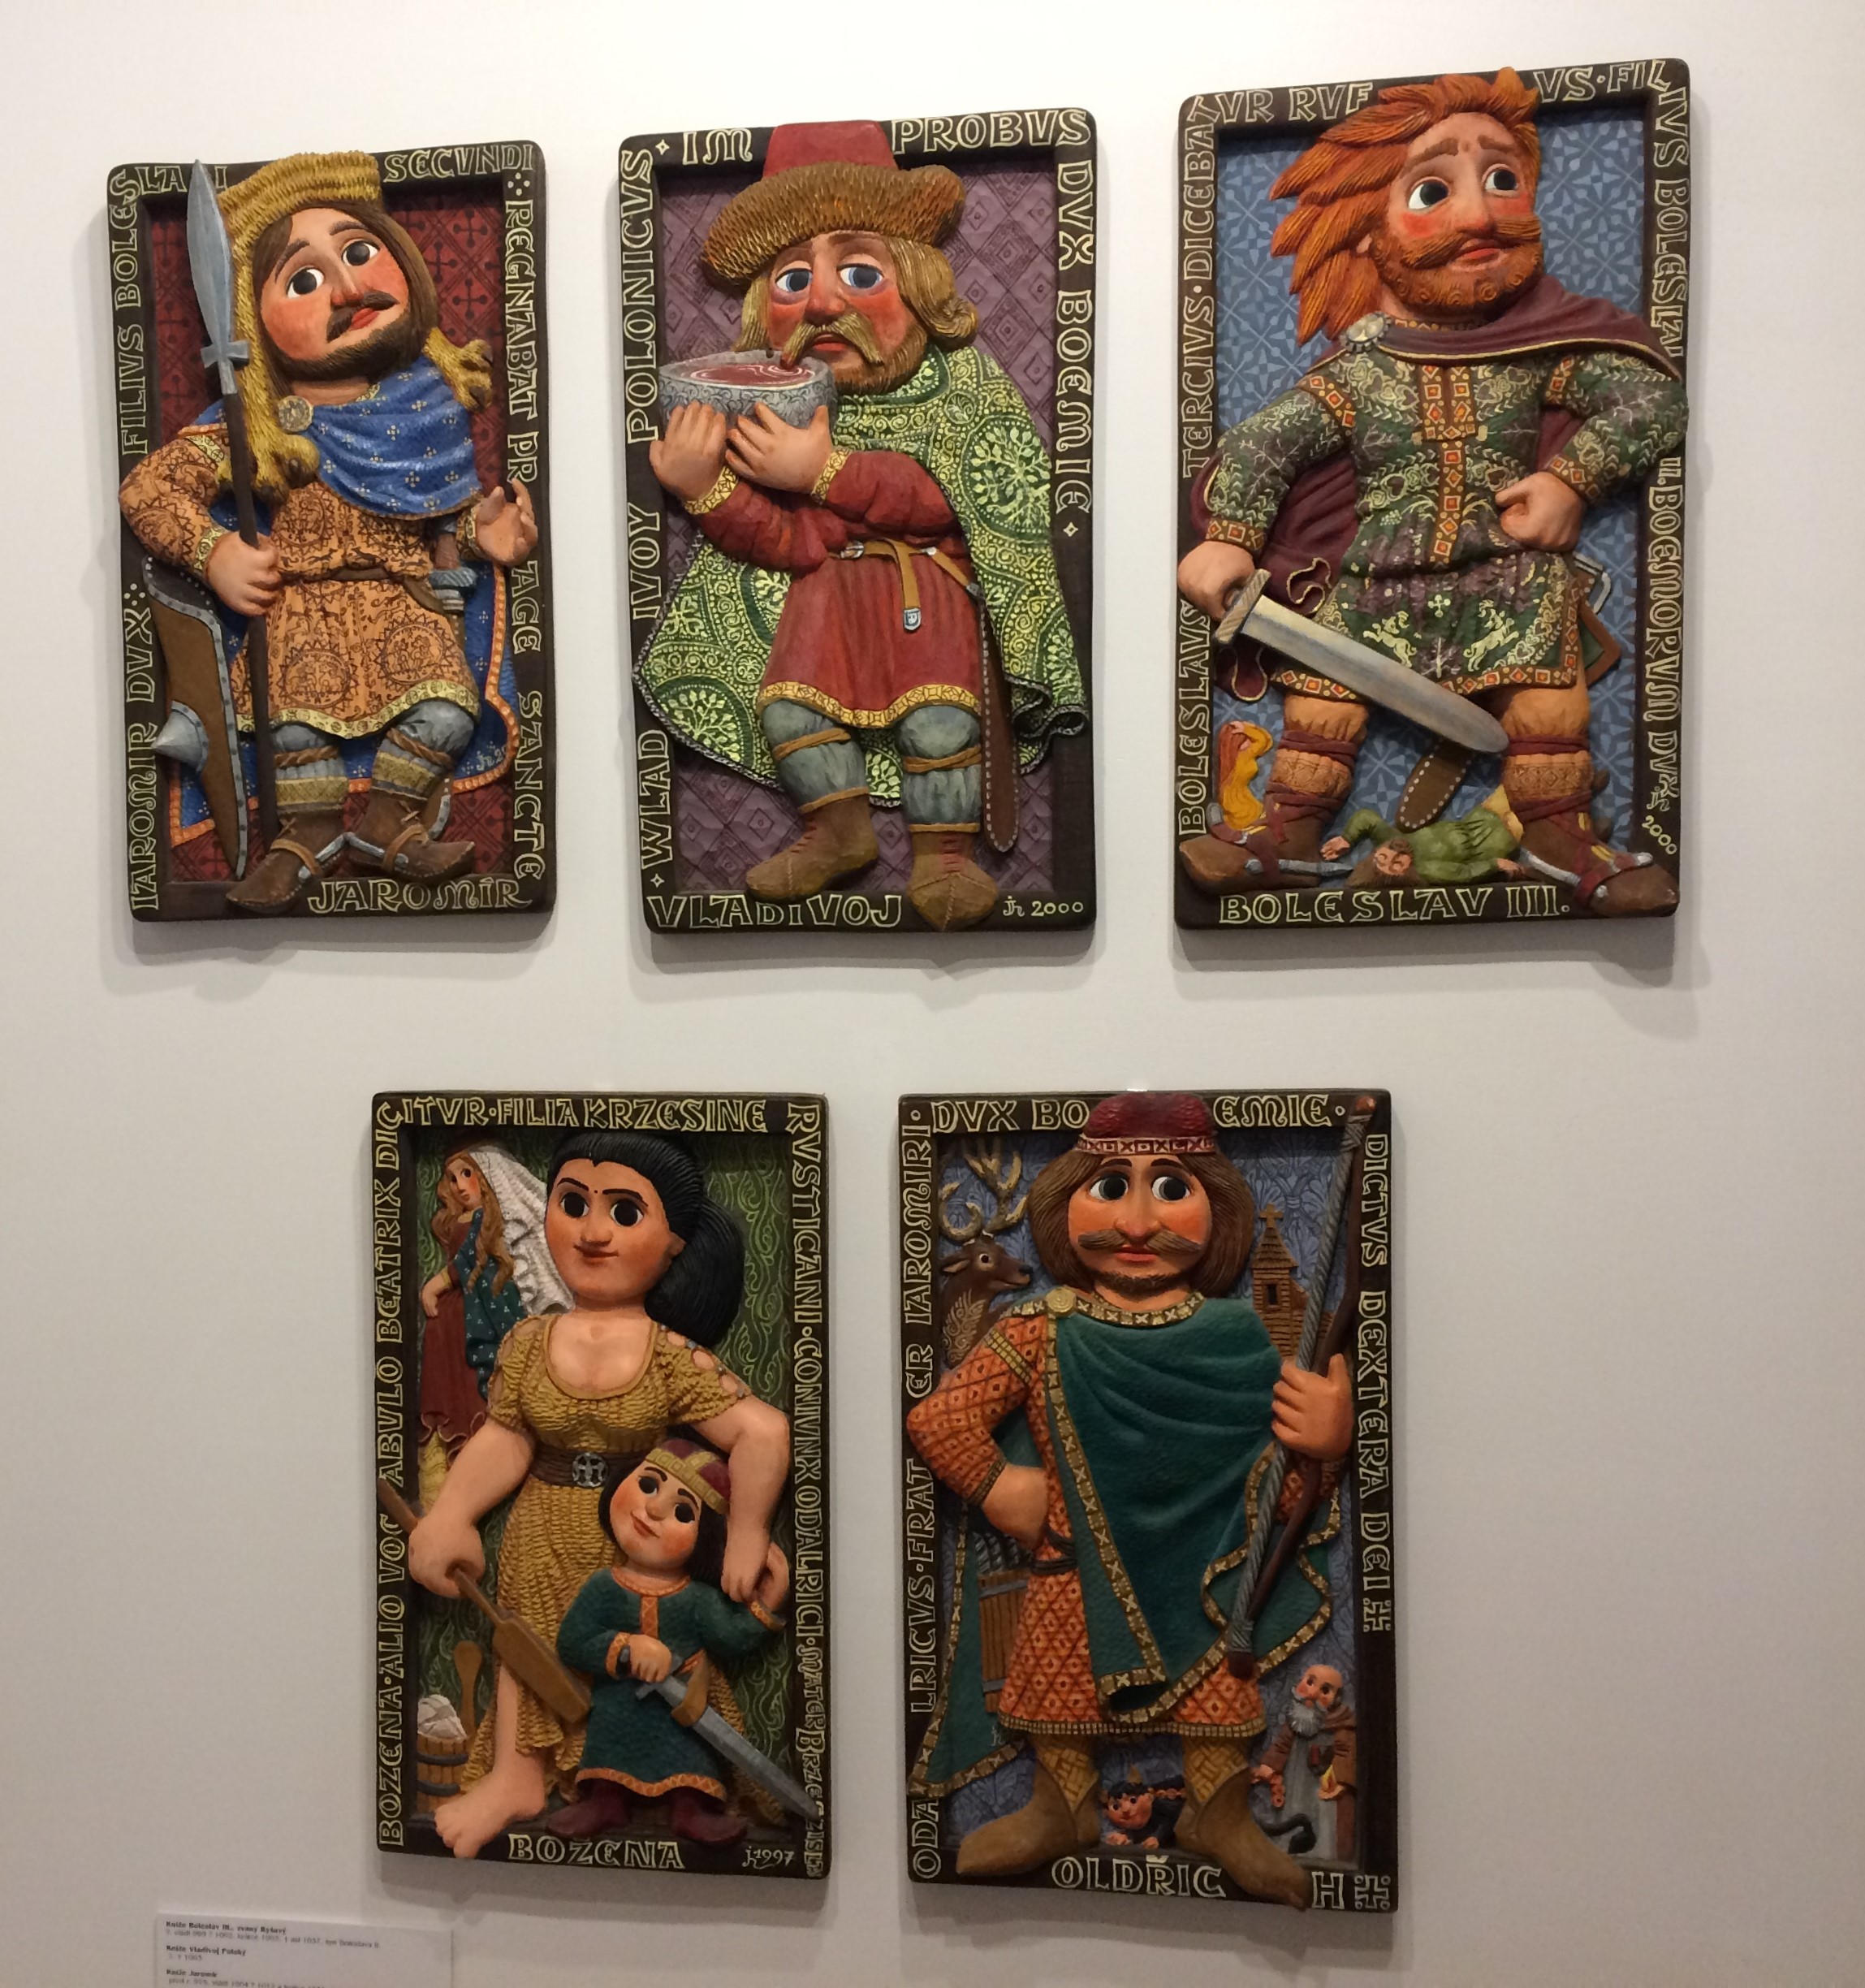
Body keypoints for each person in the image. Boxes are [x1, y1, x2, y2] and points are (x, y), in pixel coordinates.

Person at [1176, 70, 1687, 915]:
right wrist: (1230, 534)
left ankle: (1562, 838)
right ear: (1366, 235)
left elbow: (1651, 400)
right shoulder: (1360, 373)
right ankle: (1287, 836)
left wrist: (1570, 479)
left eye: (1502, 179)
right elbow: (1265, 443)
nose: (1479, 217)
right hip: (1375, 582)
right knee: (1322, 701)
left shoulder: (1537, 355)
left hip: (1509, 579)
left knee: (1545, 701)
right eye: (1431, 192)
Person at [906, 1092, 1352, 1908]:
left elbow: (1274, 1476)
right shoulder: (1041, 1326)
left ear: (1219, 1209)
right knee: (1060, 1683)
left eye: (1171, 1188)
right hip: (1075, 1563)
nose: (1138, 1222)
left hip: (1205, 1564)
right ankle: (1061, 1806)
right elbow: (941, 1419)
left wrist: (1324, 1443)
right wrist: (1001, 1486)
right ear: (1060, 1203)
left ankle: (1218, 1814)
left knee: (1215, 1688)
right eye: (1110, 1187)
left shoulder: (1236, 1335)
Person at [638, 121, 1085, 929]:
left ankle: (944, 855)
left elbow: (969, 497)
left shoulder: (963, 389)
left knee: (940, 721)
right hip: (824, 604)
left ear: (918, 285)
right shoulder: (783, 413)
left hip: (931, 602)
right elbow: (784, 541)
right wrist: (708, 489)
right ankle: (836, 833)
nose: (821, 304)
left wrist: (824, 470)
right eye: (790, 282)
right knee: (789, 714)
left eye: (858, 272)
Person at [120, 151, 538, 910]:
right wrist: (214, 552)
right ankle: (306, 837)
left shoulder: (429, 408)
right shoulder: (260, 426)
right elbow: (148, 489)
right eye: (304, 279)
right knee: (291, 732)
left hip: (405, 604)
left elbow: (436, 522)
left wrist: (484, 539)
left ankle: (386, 823)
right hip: (302, 609)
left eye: (359, 252)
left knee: (448, 711)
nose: (347, 290)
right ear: (252, 321)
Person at [406, 1131, 791, 1859]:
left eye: (624, 1213)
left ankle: (638, 1786)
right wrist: (452, 1513)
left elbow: (762, 1432)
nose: (591, 1232)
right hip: (538, 1526)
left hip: (632, 1536)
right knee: (525, 1643)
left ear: (674, 1244)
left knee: (635, 1661)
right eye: (573, 1204)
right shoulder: (529, 1341)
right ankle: (519, 1777)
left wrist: (745, 1535)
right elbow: (506, 1437)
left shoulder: (668, 1355)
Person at [550, 1441, 787, 1845]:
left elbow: (730, 1637)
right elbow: (573, 1641)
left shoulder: (696, 1598)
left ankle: (691, 1809)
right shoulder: (604, 1587)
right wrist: (627, 1648)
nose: (655, 1509)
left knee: (689, 1758)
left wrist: (768, 1601)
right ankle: (604, 1799)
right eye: (647, 1485)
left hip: (682, 1709)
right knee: (609, 1749)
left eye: (683, 1512)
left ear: (704, 1538)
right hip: (618, 1708)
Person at [417, 1145, 572, 1499]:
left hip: (481, 1311)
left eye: (468, 1174)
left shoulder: (485, 1220)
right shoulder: (459, 1218)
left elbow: (469, 1258)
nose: (460, 1186)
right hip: (454, 1320)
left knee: (480, 1386)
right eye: (452, 1178)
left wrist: (435, 1284)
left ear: (488, 1176)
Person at [1253, 1663, 1357, 1862]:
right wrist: (1269, 1766)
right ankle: (1288, 1851)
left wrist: (1340, 1780)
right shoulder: (1296, 1720)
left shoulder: (1342, 1725)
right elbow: (1282, 1745)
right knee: (1292, 1815)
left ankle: (1323, 1855)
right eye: (1310, 1682)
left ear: (1336, 1699)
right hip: (1295, 1782)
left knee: (1323, 1822)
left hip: (1324, 1788)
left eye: (1325, 1690)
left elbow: (1346, 1754)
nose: (1313, 1693)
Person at [1320, 793, 1526, 885]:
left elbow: (1367, 818)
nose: (1395, 854)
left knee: (1522, 780)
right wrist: (1494, 864)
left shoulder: (1395, 840)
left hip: (1483, 815)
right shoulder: (1428, 870)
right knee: (1537, 807)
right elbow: (1465, 873)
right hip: (1496, 839)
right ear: (1404, 874)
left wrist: (1347, 838)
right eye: (1396, 865)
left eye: (1383, 857)